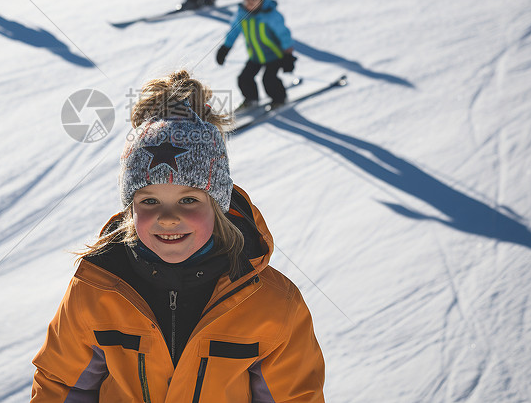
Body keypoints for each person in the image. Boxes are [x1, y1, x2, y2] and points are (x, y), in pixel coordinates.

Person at [31, 70, 325, 402]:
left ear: (217, 205)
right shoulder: (96, 289)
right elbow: (62, 385)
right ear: (131, 209)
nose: (168, 218)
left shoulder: (272, 304)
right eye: (150, 201)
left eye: (188, 200)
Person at [216, 0, 296, 111]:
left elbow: (284, 34)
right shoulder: (242, 15)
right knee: (244, 78)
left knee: (269, 80)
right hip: (255, 56)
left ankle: (280, 99)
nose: (249, 2)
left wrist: (288, 56)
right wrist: (225, 48)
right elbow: (233, 32)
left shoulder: (270, 15)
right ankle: (251, 99)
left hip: (274, 56)